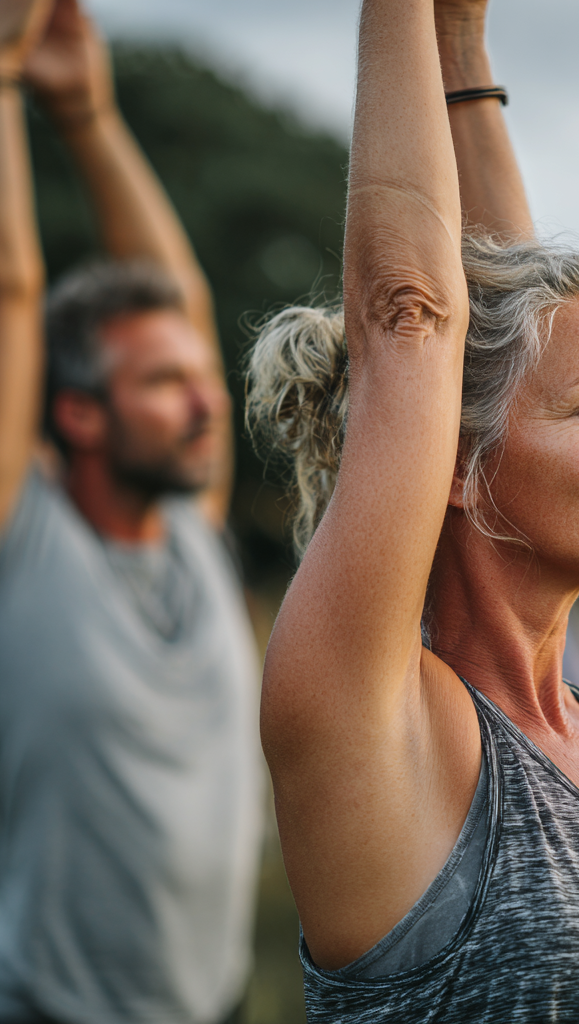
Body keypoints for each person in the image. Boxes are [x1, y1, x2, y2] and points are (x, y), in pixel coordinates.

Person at [244, 0, 579, 1019]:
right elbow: (414, 318)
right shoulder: (376, 728)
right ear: (454, 462)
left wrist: (464, 52)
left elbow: (514, 359)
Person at [0, 1, 263, 1021]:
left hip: (218, 1006)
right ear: (79, 414)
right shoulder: (25, 539)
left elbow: (186, 299)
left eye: (203, 377)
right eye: (162, 384)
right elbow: (13, 288)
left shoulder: (195, 534)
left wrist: (91, 116)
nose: (205, 401)